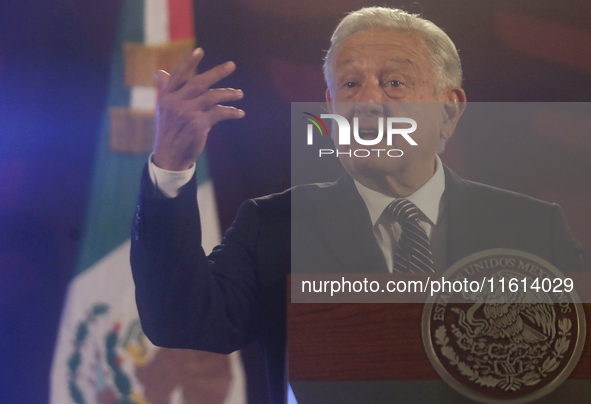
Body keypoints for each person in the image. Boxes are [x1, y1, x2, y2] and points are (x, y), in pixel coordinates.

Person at [130, 7, 581, 403]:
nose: (367, 101)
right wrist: (171, 167)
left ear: (449, 109)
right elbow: (180, 321)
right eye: (350, 84)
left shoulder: (531, 229)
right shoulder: (275, 226)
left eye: (395, 82)